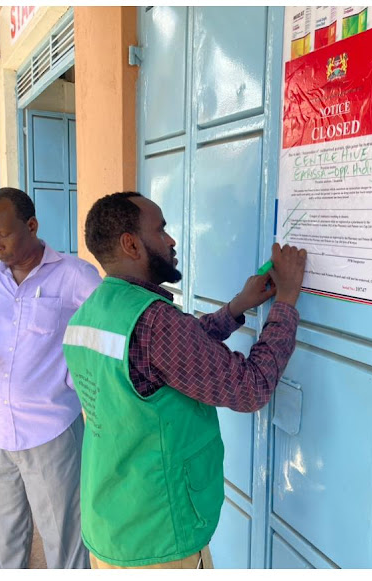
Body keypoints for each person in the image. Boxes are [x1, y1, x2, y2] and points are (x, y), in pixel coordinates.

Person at [61, 192, 307, 569]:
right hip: (159, 537)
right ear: (131, 244)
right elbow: (250, 387)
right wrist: (287, 302)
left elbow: (178, 350)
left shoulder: (92, 312)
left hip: (111, 522)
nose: (171, 240)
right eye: (160, 229)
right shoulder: (155, 324)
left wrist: (236, 308)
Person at [0, 188, 101, 568]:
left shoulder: (74, 275)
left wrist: (79, 381)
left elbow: (106, 333)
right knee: (4, 536)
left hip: (51, 430)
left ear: (32, 225)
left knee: (64, 537)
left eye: (3, 234)